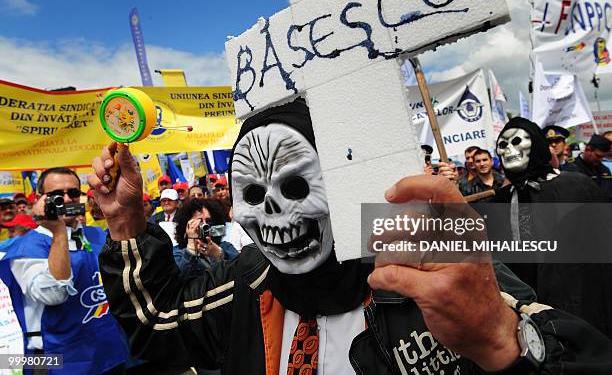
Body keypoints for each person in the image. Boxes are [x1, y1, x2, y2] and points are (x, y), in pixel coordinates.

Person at [90, 100, 612, 374]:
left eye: (295, 186)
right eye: (251, 195)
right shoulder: (250, 284)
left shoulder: (436, 273)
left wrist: (500, 340)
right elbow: (156, 324)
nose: (271, 213)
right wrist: (124, 221)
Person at [0, 167, 128, 374]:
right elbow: (54, 293)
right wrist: (58, 230)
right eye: (57, 195)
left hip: (110, 353)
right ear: (40, 199)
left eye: (73, 193)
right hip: (58, 360)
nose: (67, 199)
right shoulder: (26, 248)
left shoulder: (96, 234)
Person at [494, 117, 612, 337]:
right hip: (535, 310)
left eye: (518, 141)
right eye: (503, 145)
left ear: (537, 146)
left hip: (583, 301)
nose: (509, 150)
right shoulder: (504, 198)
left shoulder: (576, 187)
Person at [173, 198, 238, 277]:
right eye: (199, 221)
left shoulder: (225, 246)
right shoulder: (178, 253)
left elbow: (241, 265)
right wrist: (191, 249)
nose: (205, 225)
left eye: (208, 221)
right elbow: (180, 276)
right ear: (187, 225)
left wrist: (220, 254)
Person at [565, 133, 612, 200]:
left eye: (603, 157)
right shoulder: (570, 167)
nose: (600, 160)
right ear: (588, 149)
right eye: (598, 156)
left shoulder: (605, 170)